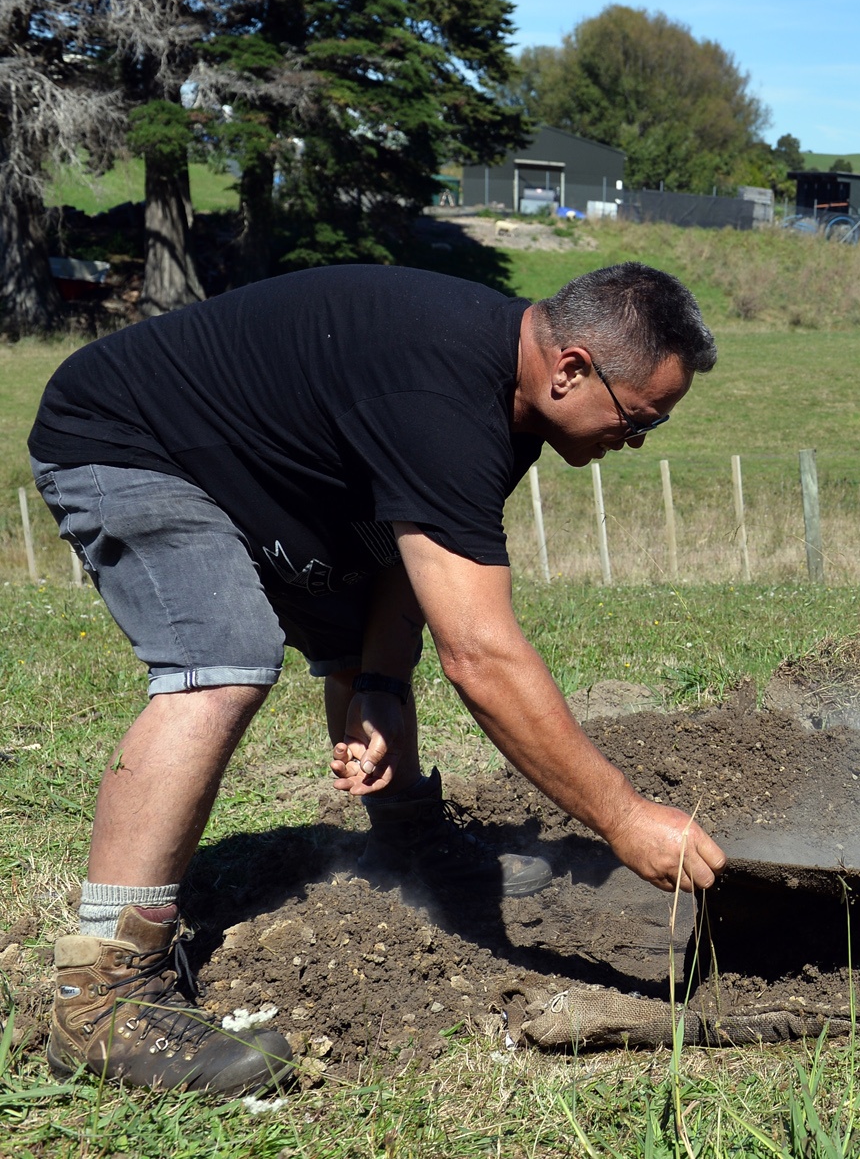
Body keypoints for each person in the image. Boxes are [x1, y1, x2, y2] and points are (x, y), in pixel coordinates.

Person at [27, 262, 729, 1095]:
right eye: (638, 417)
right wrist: (623, 817)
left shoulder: (506, 398)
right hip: (129, 440)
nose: (637, 439)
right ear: (571, 368)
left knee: (358, 624)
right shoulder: (442, 393)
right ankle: (101, 996)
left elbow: (409, 549)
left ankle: (406, 843)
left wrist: (381, 683)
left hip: (267, 471)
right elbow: (482, 654)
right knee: (223, 660)